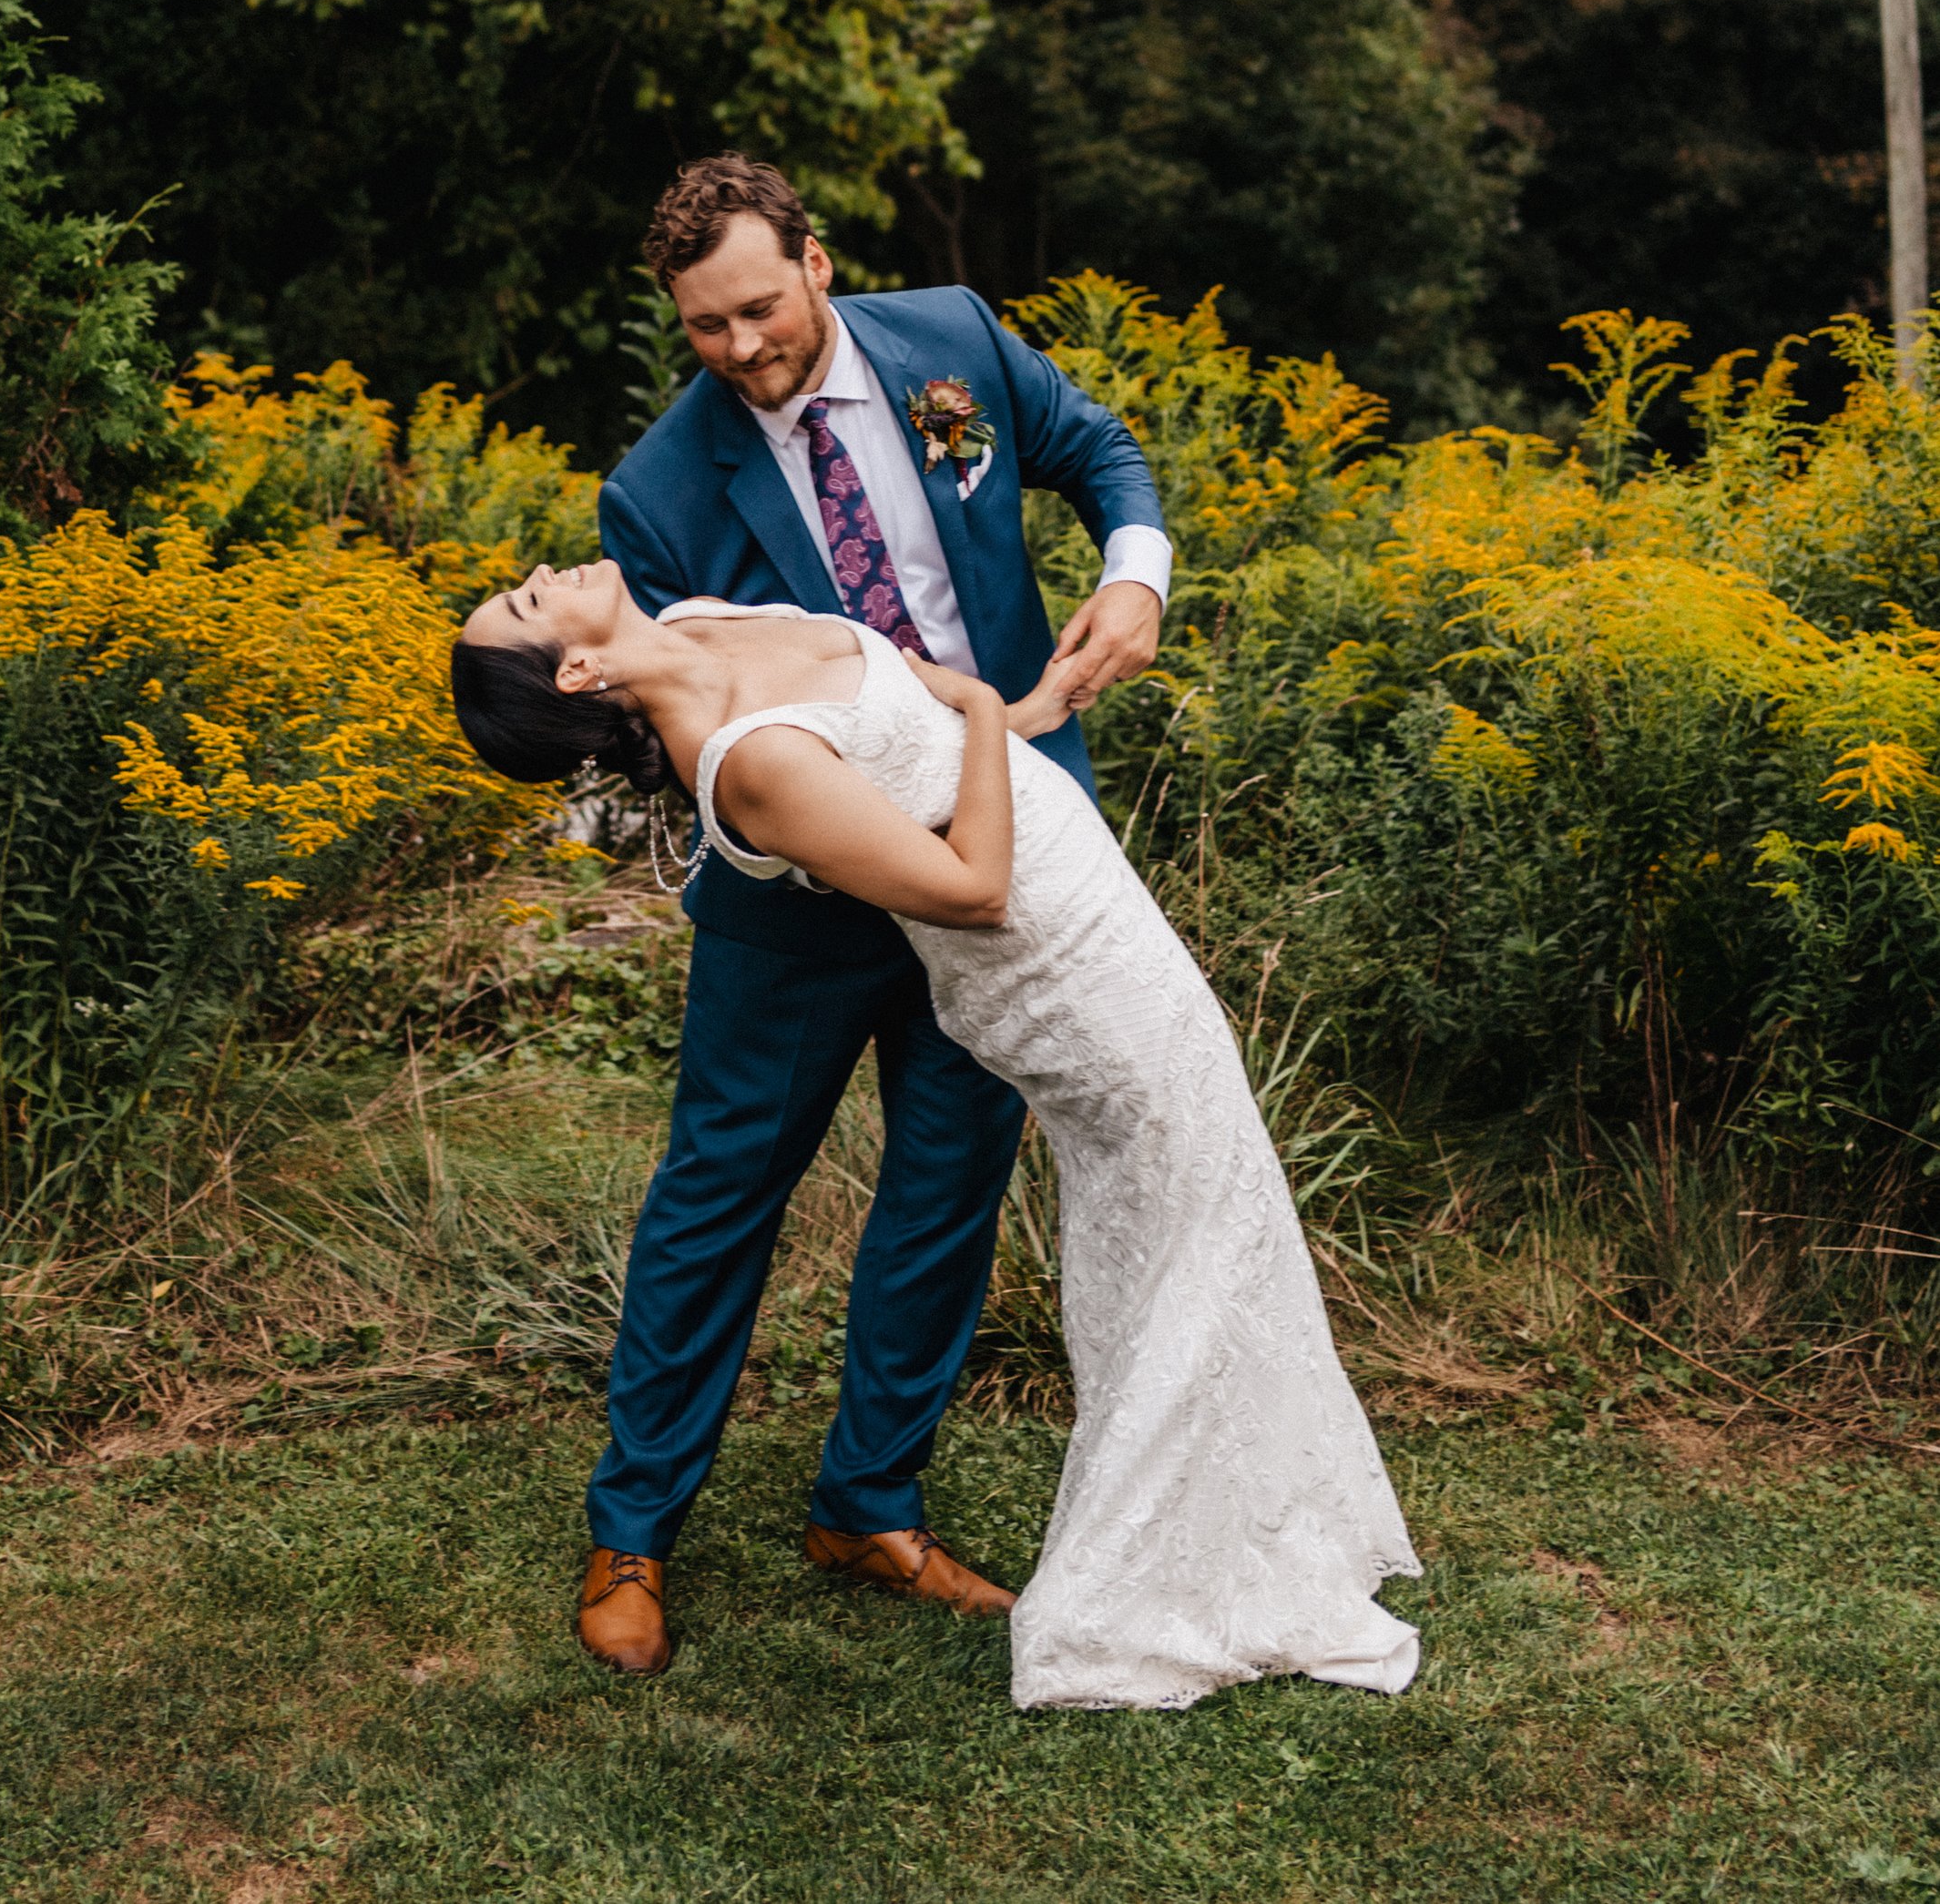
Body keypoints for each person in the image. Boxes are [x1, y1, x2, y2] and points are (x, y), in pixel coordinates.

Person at [453, 568, 1422, 1710]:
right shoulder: (744, 756)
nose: (533, 578)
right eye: (522, 605)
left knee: (1197, 1209)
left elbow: (900, 730)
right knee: (1176, 1216)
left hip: (1095, 924)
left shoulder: (695, 620)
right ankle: (1148, 1574)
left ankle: (1219, 1518)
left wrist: (1011, 718)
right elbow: (972, 890)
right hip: (1024, 954)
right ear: (577, 671)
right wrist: (973, 710)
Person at [456, 150, 1174, 1673]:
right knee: (717, 1197)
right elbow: (668, 727)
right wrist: (814, 830)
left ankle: (871, 1505)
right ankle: (632, 1533)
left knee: (949, 1178)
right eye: (703, 329)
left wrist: (1136, 576)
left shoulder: (956, 346)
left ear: (818, 264)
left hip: (1002, 851)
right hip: (791, 899)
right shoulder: (653, 490)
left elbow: (1096, 445)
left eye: (758, 310)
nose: (739, 351)